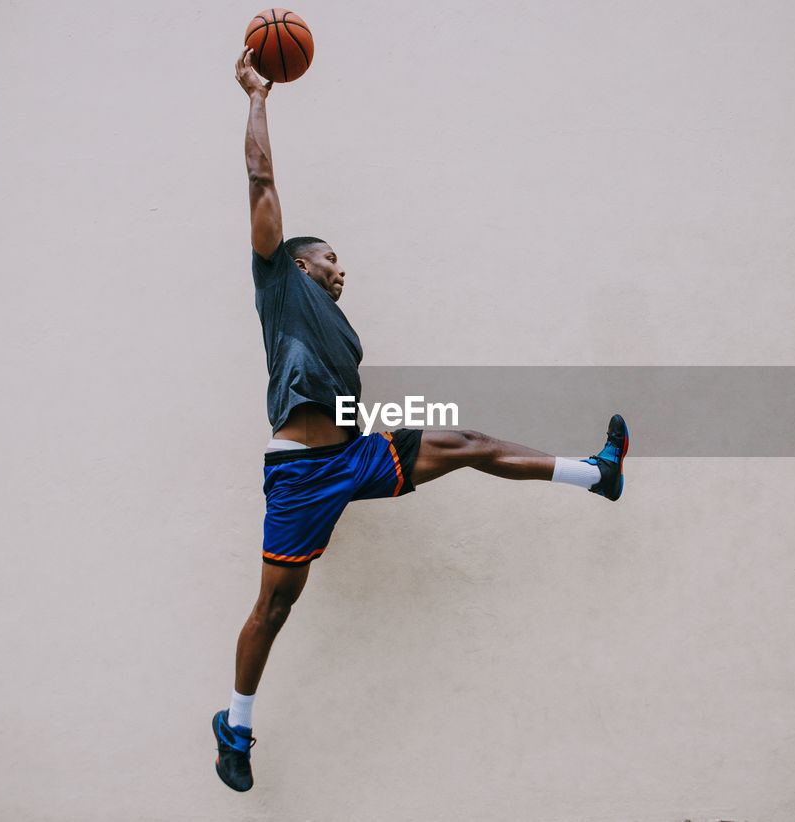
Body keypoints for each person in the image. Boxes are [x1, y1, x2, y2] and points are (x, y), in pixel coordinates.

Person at [213, 46, 630, 792]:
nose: (343, 268)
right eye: (332, 258)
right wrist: (257, 98)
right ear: (301, 262)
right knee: (274, 608)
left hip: (350, 456)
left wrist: (384, 437)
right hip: (302, 476)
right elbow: (261, 181)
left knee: (467, 440)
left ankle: (595, 474)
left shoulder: (343, 334)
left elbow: (341, 404)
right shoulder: (278, 282)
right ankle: (236, 726)